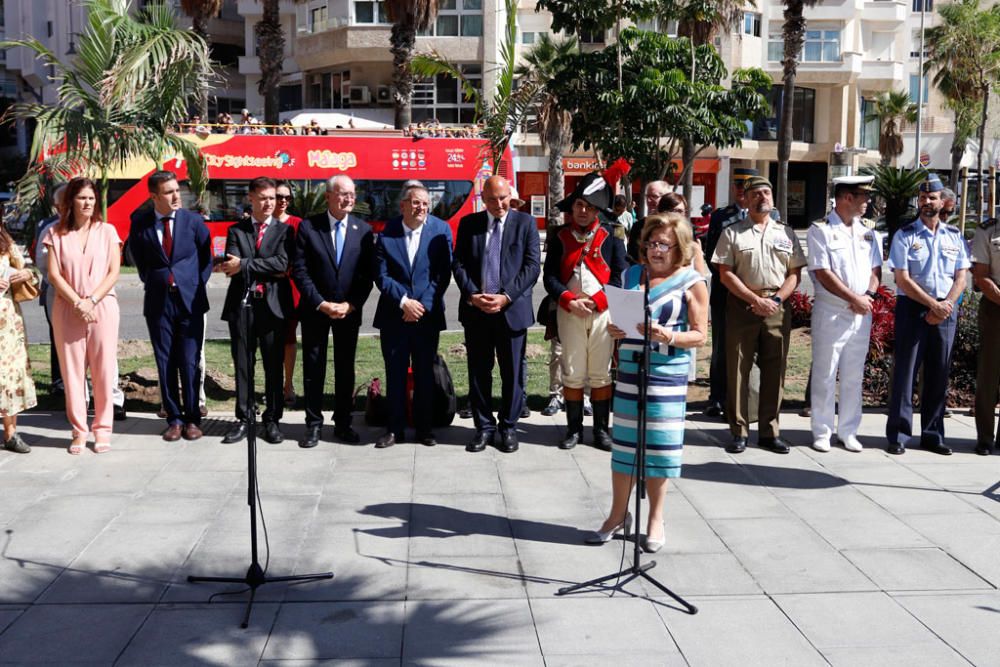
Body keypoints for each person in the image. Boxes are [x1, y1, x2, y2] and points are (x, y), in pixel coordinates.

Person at [589, 213, 708, 550]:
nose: (655, 250)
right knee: (625, 445)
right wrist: (616, 329)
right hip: (630, 369)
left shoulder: (692, 281)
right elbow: (622, 318)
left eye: (664, 245)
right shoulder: (631, 274)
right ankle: (617, 514)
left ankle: (655, 518)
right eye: (651, 243)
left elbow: (700, 336)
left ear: (680, 247)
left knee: (658, 447)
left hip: (665, 375)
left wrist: (668, 335)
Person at [711, 175, 806, 454]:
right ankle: (739, 431)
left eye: (766, 192)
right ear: (746, 198)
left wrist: (775, 300)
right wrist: (753, 299)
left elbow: (795, 273)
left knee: (775, 371)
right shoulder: (732, 232)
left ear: (773, 198)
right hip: (742, 306)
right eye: (755, 194)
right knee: (738, 370)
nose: (761, 197)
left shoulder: (786, 233)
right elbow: (725, 273)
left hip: (776, 307)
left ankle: (769, 432)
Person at [543, 160, 629, 450]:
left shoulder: (613, 234)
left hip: (602, 312)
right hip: (569, 312)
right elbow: (550, 277)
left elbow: (619, 275)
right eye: (579, 204)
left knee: (601, 372)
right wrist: (568, 300)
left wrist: (597, 301)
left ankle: (602, 430)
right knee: (572, 370)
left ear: (598, 210)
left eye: (590, 207)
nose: (583, 211)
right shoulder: (560, 236)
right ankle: (574, 429)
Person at [453, 176, 540, 454]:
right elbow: (459, 263)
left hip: (511, 310)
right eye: (492, 199)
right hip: (477, 311)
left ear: (510, 196)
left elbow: (532, 266)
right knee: (479, 372)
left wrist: (506, 296)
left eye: (503, 198)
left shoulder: (525, 223)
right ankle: (484, 427)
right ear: (483, 199)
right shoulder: (470, 224)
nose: (499, 204)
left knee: (512, 373)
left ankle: (508, 427)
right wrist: (472, 294)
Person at [885, 174, 970, 456]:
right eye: (922, 198)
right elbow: (902, 278)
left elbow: (961, 276)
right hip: (913, 307)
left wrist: (944, 305)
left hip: (946, 309)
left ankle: (933, 435)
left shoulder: (954, 236)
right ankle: (898, 434)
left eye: (931, 198)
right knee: (905, 373)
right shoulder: (905, 234)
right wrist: (933, 304)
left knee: (939, 373)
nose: (926, 202)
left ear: (942, 201)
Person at [129, 170, 212, 442]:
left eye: (177, 190)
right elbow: (140, 260)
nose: (176, 195)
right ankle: (174, 419)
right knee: (165, 362)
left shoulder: (193, 221)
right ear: (154, 196)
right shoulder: (140, 222)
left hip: (190, 303)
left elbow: (205, 258)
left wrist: (192, 284)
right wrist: (158, 280)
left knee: (189, 361)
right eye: (168, 191)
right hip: (158, 302)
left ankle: (192, 419)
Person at [293, 175, 375, 448]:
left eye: (351, 194)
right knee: (313, 367)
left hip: (347, 312)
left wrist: (350, 305)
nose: (348, 199)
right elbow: (301, 271)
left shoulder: (363, 230)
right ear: (328, 196)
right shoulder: (308, 228)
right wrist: (321, 303)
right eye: (342, 194)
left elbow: (366, 275)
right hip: (316, 309)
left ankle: (343, 423)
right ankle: (313, 425)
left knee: (345, 368)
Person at [44, 177, 122, 454]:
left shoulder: (108, 231)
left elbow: (114, 271)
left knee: (103, 372)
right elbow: (54, 274)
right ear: (70, 202)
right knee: (73, 374)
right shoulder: (55, 233)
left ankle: (102, 430)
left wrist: (91, 300)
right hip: (68, 308)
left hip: (102, 306)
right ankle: (78, 431)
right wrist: (78, 301)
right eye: (81, 198)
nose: (87, 203)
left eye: (91, 198)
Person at [372, 184, 453, 448]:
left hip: (426, 317)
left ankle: (424, 428)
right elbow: (381, 275)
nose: (421, 208)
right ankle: (394, 429)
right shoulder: (388, 232)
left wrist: (422, 305)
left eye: (425, 204)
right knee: (394, 374)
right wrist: (405, 302)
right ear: (403, 205)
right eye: (416, 203)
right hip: (394, 316)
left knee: (425, 374)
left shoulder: (440, 230)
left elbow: (442, 274)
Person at [805, 176, 882, 453]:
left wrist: (868, 297)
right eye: (864, 196)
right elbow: (822, 272)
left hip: (861, 312)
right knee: (825, 373)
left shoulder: (869, 231)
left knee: (853, 375)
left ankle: (848, 430)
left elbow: (875, 270)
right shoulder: (821, 230)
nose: (868, 201)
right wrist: (854, 298)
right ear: (847, 197)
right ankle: (822, 431)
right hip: (833, 312)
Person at [217, 177, 295, 445]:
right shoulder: (236, 231)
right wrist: (259, 265)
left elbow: (282, 264)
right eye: (263, 198)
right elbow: (231, 265)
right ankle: (244, 418)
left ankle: (272, 419)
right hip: (242, 307)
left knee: (274, 366)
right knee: (243, 365)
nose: (269, 203)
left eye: (272, 198)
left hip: (273, 307)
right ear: (250, 198)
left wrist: (247, 264)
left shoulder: (285, 232)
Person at [701, 171, 753, 418]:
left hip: (755, 294)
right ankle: (717, 398)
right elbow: (712, 254)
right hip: (725, 292)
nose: (741, 189)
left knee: (750, 347)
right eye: (738, 185)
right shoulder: (721, 217)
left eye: (747, 185)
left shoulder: (767, 216)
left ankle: (744, 397)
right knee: (722, 347)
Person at [0, 219, 39, 454]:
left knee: (10, 373)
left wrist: (23, 275)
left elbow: (28, 272)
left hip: (8, 321)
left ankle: (11, 433)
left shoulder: (5, 239)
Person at [972, 216, 1000, 455]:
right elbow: (981, 276)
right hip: (996, 307)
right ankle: (985, 438)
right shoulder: (988, 231)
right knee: (989, 375)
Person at [274, 181, 303, 407]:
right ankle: (271, 384)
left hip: (290, 288)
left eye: (287, 197)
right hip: (265, 288)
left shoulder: (298, 225)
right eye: (279, 196)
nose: (283, 201)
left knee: (289, 338)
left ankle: (288, 384)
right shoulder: (261, 223)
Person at [626, 180, 672, 263]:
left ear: (667, 198)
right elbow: (632, 255)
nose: (649, 201)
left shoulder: (676, 225)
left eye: (654, 196)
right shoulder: (638, 226)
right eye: (647, 196)